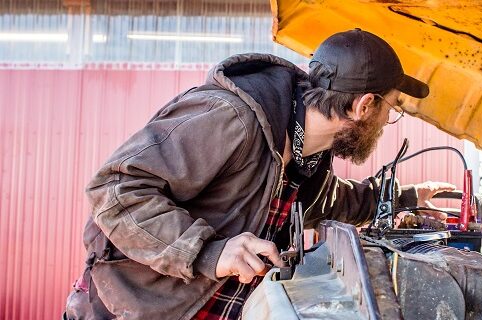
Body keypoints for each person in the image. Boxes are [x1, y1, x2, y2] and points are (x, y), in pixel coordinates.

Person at [64, 28, 455, 320]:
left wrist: (404, 197)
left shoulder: (307, 153)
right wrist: (208, 251)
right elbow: (115, 189)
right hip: (132, 310)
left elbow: (332, 200)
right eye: (391, 107)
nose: (389, 121)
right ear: (364, 105)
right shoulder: (232, 117)